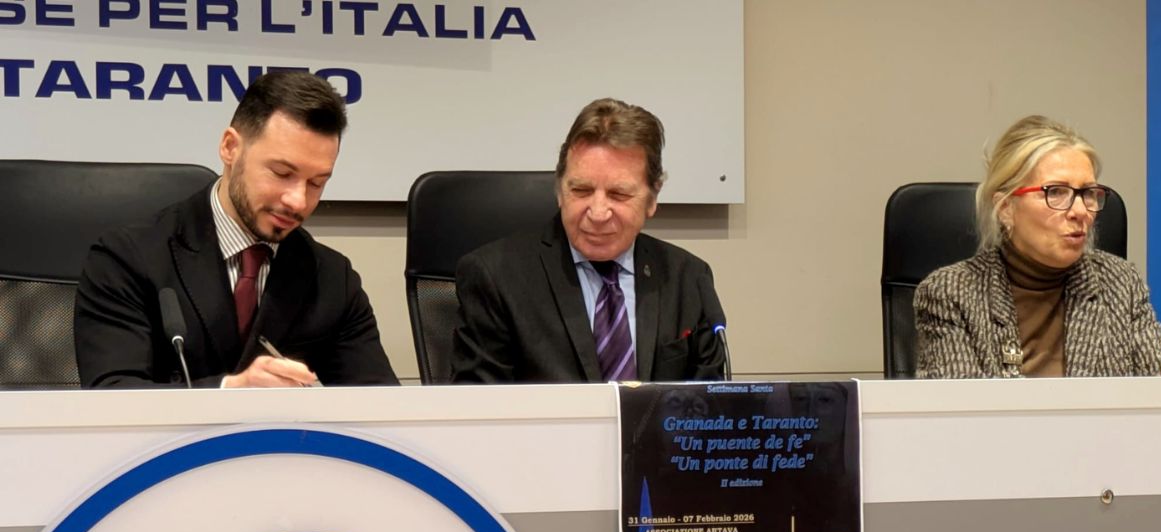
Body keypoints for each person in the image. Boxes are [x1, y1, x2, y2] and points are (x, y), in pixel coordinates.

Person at [74, 72, 396, 388]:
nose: (298, 201)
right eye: (282, 173)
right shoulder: (127, 258)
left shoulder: (332, 279)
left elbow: (380, 403)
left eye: (316, 183)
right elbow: (112, 391)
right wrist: (231, 391)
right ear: (230, 148)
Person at [450, 97, 727, 383]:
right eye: (581, 190)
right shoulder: (497, 277)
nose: (598, 213)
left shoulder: (688, 278)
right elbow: (480, 404)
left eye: (619, 194)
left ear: (652, 198)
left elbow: (710, 402)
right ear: (560, 191)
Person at [914, 115, 1161, 379]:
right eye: (1055, 192)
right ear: (1006, 208)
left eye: (1088, 193)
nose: (1080, 211)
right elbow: (961, 406)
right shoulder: (951, 293)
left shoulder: (1119, 283)